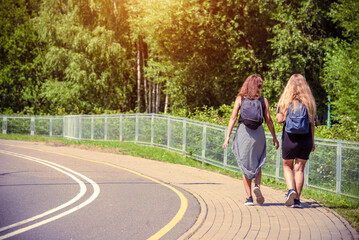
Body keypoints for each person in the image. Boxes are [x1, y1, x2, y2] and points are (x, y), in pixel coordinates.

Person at [223, 74, 279, 206]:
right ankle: (257, 186)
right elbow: (269, 121)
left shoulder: (240, 98)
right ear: (259, 86)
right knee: (258, 161)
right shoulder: (263, 100)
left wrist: (227, 137)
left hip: (244, 132)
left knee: (244, 164)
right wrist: (275, 137)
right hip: (258, 133)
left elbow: (233, 117)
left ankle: (249, 198)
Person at [275, 74, 316, 208]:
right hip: (306, 138)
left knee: (287, 166)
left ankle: (290, 190)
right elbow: (312, 124)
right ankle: (297, 201)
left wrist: (280, 114)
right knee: (299, 169)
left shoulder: (285, 101)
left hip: (290, 137)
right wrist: (312, 141)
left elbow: (280, 120)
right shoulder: (308, 102)